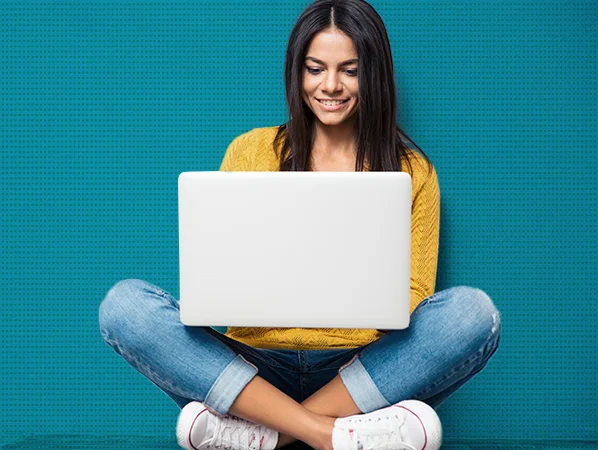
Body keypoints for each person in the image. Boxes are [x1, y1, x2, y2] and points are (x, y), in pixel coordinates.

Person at [98, 0, 501, 449]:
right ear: (297, 72)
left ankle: (266, 434)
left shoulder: (413, 171)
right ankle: (330, 436)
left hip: (361, 368)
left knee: (473, 314)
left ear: (375, 75)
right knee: (125, 306)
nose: (331, 86)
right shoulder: (250, 153)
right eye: (315, 69)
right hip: (253, 368)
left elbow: (412, 298)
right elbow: (218, 282)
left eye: (350, 70)